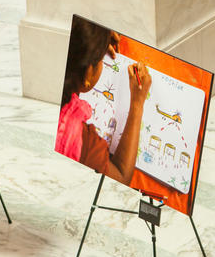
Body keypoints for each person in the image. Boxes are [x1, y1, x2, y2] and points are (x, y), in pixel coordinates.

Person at [55, 18, 151, 183]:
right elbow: (121, 176)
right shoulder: (83, 142)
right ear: (87, 74)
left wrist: (94, 40)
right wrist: (137, 104)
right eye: (100, 60)